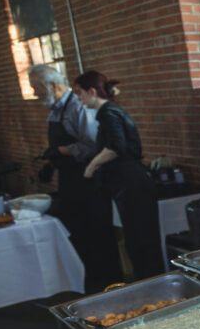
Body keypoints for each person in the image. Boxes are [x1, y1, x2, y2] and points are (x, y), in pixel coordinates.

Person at [28, 64, 122, 293]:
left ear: (53, 85)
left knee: (98, 234)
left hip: (89, 181)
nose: (34, 93)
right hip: (69, 180)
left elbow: (92, 146)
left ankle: (110, 286)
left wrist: (61, 152)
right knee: (77, 233)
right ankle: (85, 285)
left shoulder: (78, 108)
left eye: (36, 88)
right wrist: (51, 162)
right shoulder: (55, 110)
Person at [73, 70, 164, 281]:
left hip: (131, 182)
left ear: (92, 91)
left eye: (79, 93)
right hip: (130, 182)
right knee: (139, 240)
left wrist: (91, 167)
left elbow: (115, 147)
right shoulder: (111, 112)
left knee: (141, 241)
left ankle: (155, 292)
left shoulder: (108, 113)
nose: (78, 98)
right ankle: (152, 288)